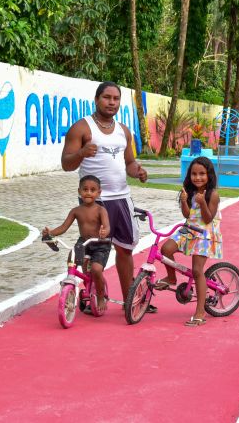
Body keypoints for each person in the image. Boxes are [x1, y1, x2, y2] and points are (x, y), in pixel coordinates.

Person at [61, 81, 149, 310]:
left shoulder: (123, 130)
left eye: (116, 98)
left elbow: (129, 163)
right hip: (94, 202)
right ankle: (91, 296)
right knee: (92, 250)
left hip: (121, 198)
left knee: (125, 249)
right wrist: (81, 152)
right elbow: (66, 164)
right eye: (107, 97)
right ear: (96, 99)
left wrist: (137, 171)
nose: (112, 102)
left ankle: (129, 299)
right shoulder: (82, 128)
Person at [154, 156, 221, 327]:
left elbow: (207, 219)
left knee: (198, 271)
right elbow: (187, 215)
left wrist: (202, 203)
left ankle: (200, 312)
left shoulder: (213, 194)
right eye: (194, 174)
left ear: (209, 175)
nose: (197, 177)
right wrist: (185, 201)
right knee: (166, 250)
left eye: (202, 174)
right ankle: (171, 278)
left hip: (205, 233)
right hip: (189, 229)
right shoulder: (190, 192)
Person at [43, 175, 111, 313]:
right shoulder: (76, 211)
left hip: (99, 243)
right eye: (85, 189)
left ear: (99, 193)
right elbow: (63, 227)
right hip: (84, 242)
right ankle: (74, 279)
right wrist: (51, 233)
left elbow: (107, 226)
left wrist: (105, 232)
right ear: (79, 191)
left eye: (93, 190)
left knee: (96, 270)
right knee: (71, 256)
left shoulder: (100, 210)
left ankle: (100, 296)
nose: (88, 193)